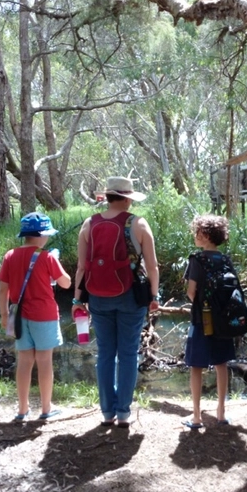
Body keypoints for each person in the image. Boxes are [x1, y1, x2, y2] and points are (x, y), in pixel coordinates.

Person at [72, 176, 160, 429]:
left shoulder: (89, 224)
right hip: (131, 296)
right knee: (129, 353)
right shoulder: (139, 224)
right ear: (127, 198)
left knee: (106, 354)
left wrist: (78, 300)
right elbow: (152, 267)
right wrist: (154, 297)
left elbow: (81, 267)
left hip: (98, 296)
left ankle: (107, 412)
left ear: (108, 196)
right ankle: (123, 412)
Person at [0, 212, 72, 422]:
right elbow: (66, 283)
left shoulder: (10, 256)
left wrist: (5, 315)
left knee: (24, 362)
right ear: (41, 235)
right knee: (44, 361)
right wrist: (56, 262)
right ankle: (46, 409)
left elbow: (3, 290)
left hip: (18, 316)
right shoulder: (48, 257)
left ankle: (22, 410)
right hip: (44, 316)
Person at [182, 215, 234, 429]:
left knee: (196, 366)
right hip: (223, 322)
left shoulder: (197, 260)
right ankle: (221, 413)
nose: (195, 236)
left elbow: (191, 292)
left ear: (204, 235)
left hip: (201, 320)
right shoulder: (226, 260)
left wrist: (204, 307)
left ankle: (196, 416)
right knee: (221, 364)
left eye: (196, 232)